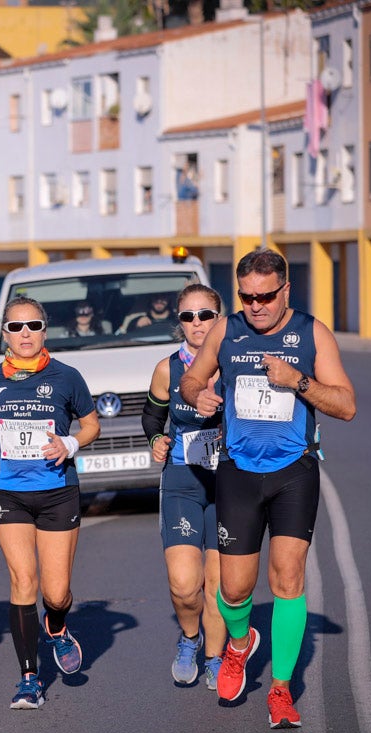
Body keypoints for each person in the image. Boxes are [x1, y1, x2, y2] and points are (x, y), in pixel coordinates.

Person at [180, 249, 355, 729]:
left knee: (287, 580)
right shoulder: (226, 330)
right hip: (237, 471)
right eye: (246, 296)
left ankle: (280, 690)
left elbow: (345, 405)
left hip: (293, 471)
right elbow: (191, 378)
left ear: (286, 291)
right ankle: (240, 644)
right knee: (234, 592)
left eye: (265, 296)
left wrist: (297, 380)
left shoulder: (311, 333)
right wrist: (200, 394)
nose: (255, 305)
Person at [0, 297, 100, 709]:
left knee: (57, 592)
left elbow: (92, 423)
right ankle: (30, 678)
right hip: (8, 492)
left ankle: (57, 626)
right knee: (23, 581)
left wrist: (71, 442)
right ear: (4, 333)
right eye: (15, 327)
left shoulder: (67, 376)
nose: (25, 334)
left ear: (45, 330)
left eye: (33, 325)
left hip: (58, 492)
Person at [141, 284, 226, 690]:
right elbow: (152, 418)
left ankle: (215, 656)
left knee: (219, 586)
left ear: (219, 318)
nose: (197, 323)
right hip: (182, 483)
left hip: (230, 486)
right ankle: (190, 637)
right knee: (185, 584)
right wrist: (156, 439)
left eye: (205, 315)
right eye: (188, 316)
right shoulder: (167, 369)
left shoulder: (236, 364)